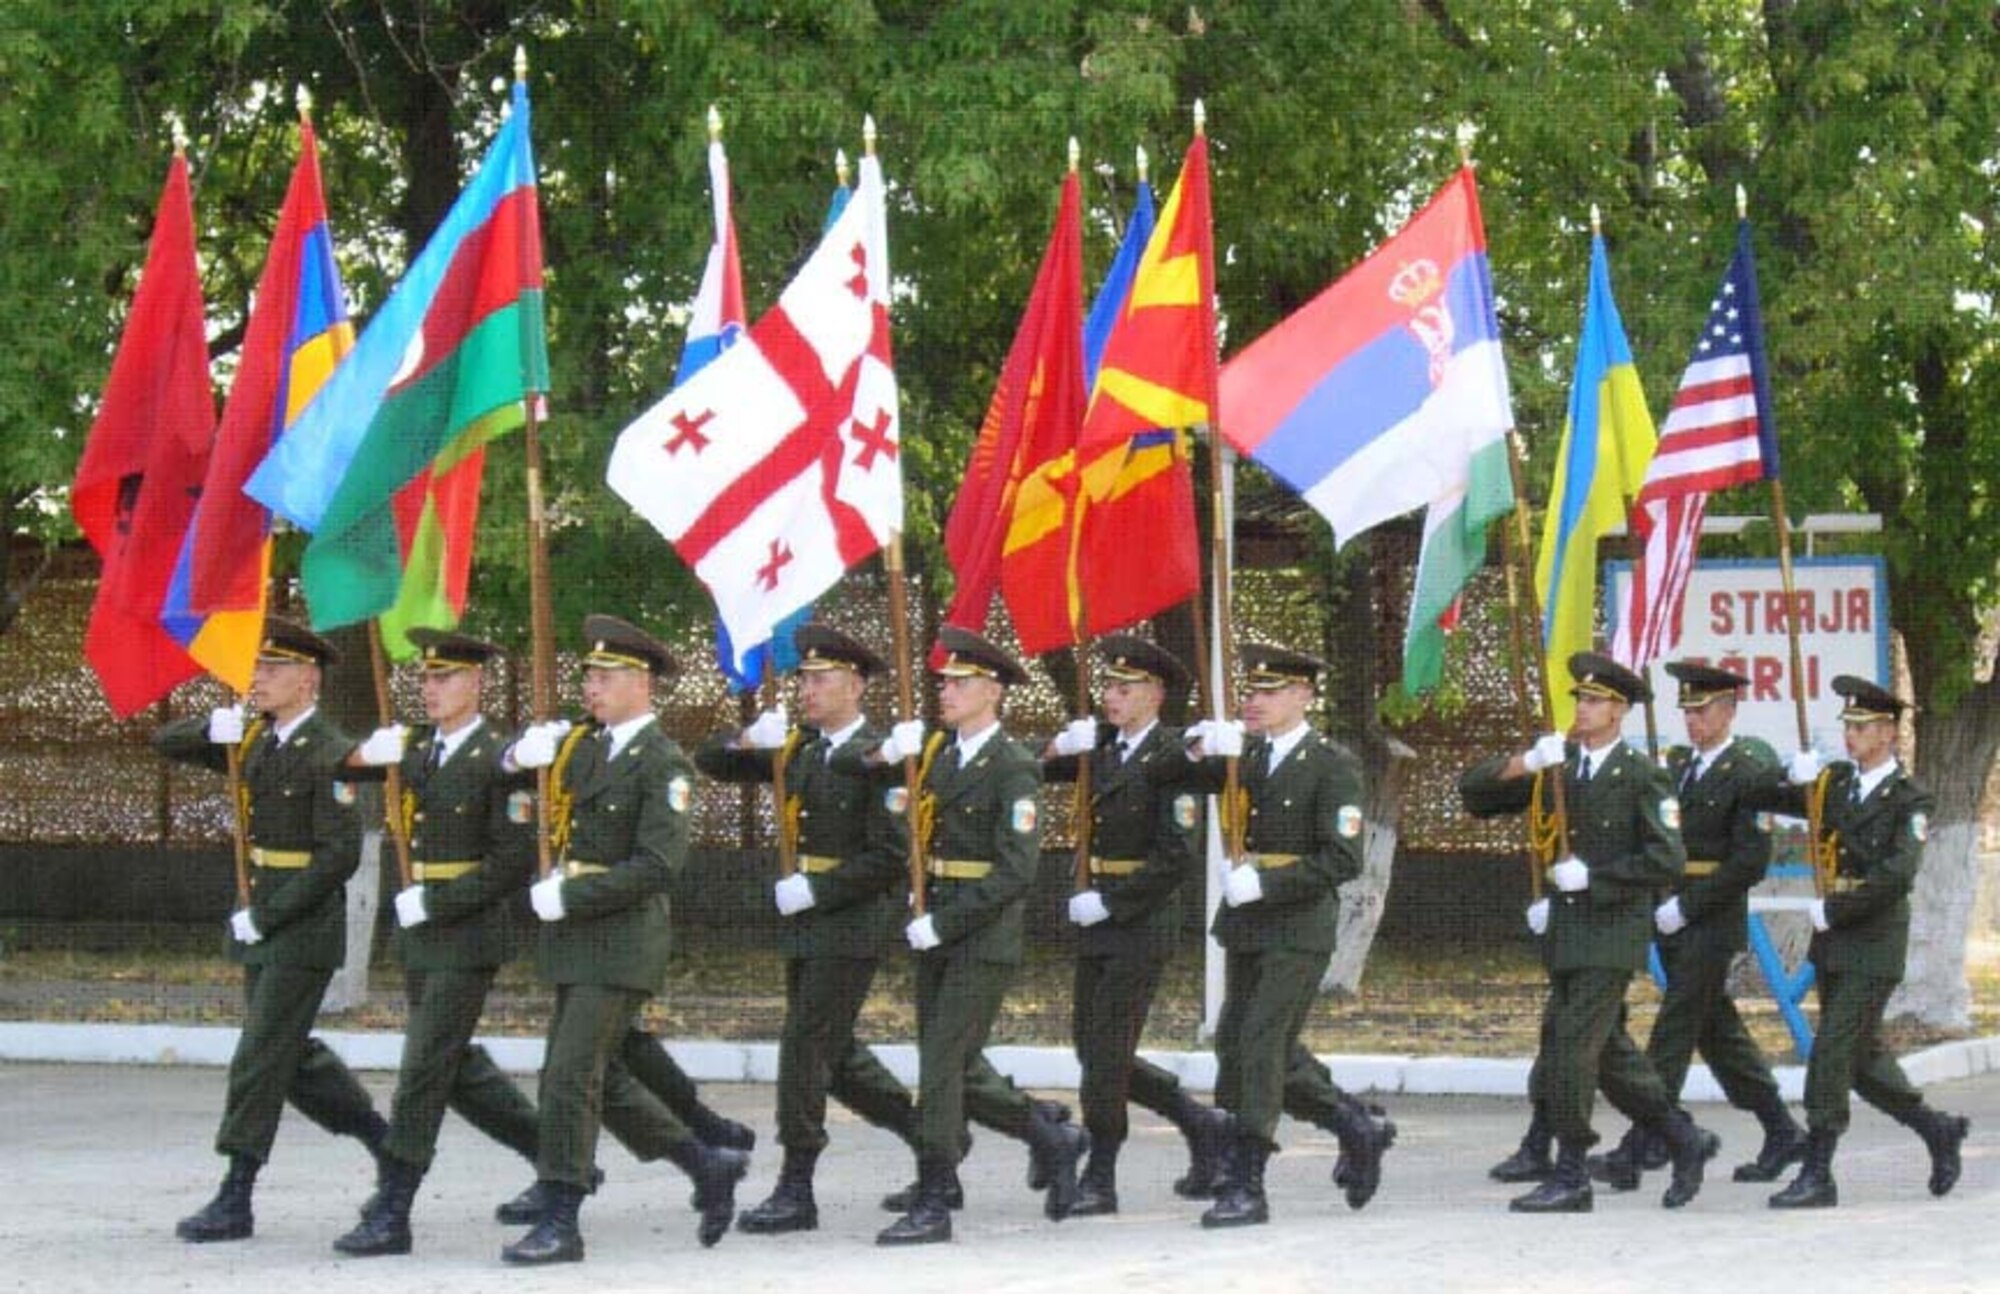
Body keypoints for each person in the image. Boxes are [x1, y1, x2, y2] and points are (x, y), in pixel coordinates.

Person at [498, 615, 746, 1264]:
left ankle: (562, 1215)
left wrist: (570, 895)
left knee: (569, 1075)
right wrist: (516, 755)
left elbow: (658, 866)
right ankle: (705, 1163)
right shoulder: (583, 745)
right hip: (575, 941)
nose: (592, 687)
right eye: (589, 675)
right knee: (594, 1079)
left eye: (606, 677)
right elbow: (517, 779)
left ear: (642, 684)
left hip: (622, 941)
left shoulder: (663, 762)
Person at [153, 619, 389, 1243]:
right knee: (289, 1054)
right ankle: (384, 1141)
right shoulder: (253, 738)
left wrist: (270, 913)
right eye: (256, 668)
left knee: (259, 1054)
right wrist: (210, 727)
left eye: (272, 669)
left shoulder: (330, 750)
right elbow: (164, 742)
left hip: (301, 926)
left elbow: (340, 855)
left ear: (307, 680)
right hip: (260, 917)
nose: (256, 678)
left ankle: (237, 1193)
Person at [1458, 652, 1718, 1213]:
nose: (1583, 707)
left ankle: (1572, 1171)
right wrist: (1526, 761)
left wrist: (1594, 879)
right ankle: (1683, 1139)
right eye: (1579, 697)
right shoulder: (1560, 766)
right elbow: (1474, 794)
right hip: (1566, 933)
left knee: (1572, 1050)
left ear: (1620, 711)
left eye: (1596, 700)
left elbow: (1666, 859)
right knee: (1607, 1055)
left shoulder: (1642, 775)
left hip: (1611, 931)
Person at [856, 626, 1086, 1245]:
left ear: (993, 691)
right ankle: (1050, 1136)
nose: (946, 692)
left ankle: (934, 1198)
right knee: (958, 1066)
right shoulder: (936, 755)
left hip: (979, 935)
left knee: (940, 1066)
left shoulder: (1012, 765)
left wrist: (946, 920)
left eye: (960, 683)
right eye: (945, 683)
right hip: (935, 925)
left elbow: (1016, 870)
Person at [694, 624, 922, 1234]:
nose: (807, 689)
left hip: (851, 921)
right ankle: (934, 1146)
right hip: (807, 923)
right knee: (837, 1055)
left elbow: (891, 855)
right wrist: (747, 737)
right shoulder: (799, 747)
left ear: (855, 685)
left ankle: (797, 1186)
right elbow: (709, 762)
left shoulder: (883, 755)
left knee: (803, 1044)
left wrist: (817, 888)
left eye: (820, 679)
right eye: (803, 678)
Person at [331, 629, 543, 1256]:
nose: (429, 689)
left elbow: (513, 860)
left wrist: (439, 900)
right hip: (422, 933)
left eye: (444, 678)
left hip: (468, 932)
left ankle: (393, 1205)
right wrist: (368, 754)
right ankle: (559, 1159)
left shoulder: (504, 758)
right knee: (452, 1067)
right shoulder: (416, 750)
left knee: (422, 1068)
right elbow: (335, 770)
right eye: (424, 679)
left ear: (475, 684)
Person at [1178, 645, 1390, 1227]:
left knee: (1261, 1046)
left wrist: (1266, 886)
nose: (1255, 701)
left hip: (1296, 925)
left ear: (1303, 697)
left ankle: (1247, 1178)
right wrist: (1196, 743)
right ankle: (1354, 1125)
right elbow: (1175, 774)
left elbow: (1344, 857)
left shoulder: (1332, 764)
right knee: (1236, 1044)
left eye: (1271, 692)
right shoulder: (1243, 756)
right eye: (1253, 691)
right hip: (1248, 923)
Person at [1745, 675, 1971, 1208]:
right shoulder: (1837, 784)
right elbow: (1763, 795)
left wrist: (1835, 908)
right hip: (1835, 939)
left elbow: (1896, 875)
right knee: (1863, 1059)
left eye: (1863, 726)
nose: (1851, 735)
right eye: (1847, 725)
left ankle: (1819, 1170)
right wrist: (1790, 775)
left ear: (1890, 732)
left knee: (1830, 1050)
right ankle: (1937, 1129)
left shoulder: (1910, 798)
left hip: (1873, 942)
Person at [1589, 661, 1805, 1191]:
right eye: (1686, 710)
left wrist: (1689, 907)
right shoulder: (1682, 765)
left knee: (1674, 1030)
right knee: (1720, 1036)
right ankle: (1782, 1129)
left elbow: (1749, 861)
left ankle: (1641, 1146)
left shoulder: (1749, 769)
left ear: (1729, 710)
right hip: (1675, 914)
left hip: (1711, 918)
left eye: (1702, 710)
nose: (1692, 720)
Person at [1039, 634, 1227, 1215]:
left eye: (1125, 688)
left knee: (1105, 1051)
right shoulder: (1104, 748)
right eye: (1108, 687)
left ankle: (1101, 1173)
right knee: (1092, 1047)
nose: (1111, 697)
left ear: (1156, 694)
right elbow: (1023, 767)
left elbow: (1175, 855)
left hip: (1138, 920)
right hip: (1097, 914)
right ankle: (1198, 1121)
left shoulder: (1175, 755)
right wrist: (1053, 749)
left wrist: (1113, 902)